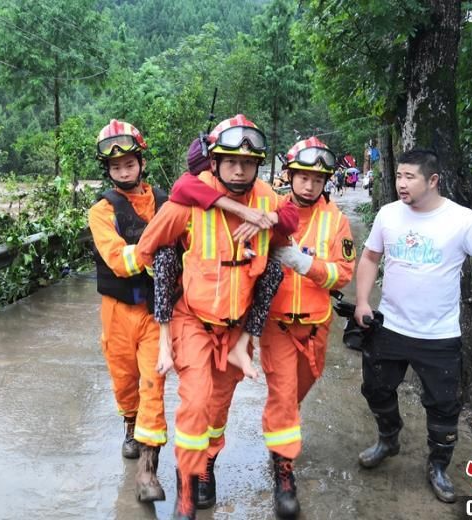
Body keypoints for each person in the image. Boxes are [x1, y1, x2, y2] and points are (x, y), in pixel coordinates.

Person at [353, 149, 472, 503]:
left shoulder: (462, 220)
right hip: (390, 326)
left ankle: (437, 465)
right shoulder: (389, 215)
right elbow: (371, 257)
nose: (401, 184)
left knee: (444, 406)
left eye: (410, 177)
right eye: (399, 176)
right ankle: (388, 438)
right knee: (376, 389)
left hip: (439, 335)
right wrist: (362, 302)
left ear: (433, 180)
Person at [136, 114, 293, 520]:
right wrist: (169, 283)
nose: (239, 170)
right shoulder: (190, 199)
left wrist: (271, 220)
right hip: (192, 320)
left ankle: (208, 465)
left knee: (219, 407)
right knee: (196, 402)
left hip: (237, 326)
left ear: (258, 164)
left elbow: (291, 220)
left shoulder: (265, 200)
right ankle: (186, 492)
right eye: (230, 161)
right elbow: (148, 248)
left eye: (248, 163)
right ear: (215, 161)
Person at [256, 137, 356, 518]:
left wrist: (304, 264)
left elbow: (341, 275)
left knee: (296, 393)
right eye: (303, 177)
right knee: (282, 394)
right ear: (291, 176)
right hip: (277, 325)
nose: (310, 185)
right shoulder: (272, 212)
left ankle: (281, 430)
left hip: (315, 327)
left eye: (317, 179)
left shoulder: (336, 221)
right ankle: (284, 474)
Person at [87, 119, 168, 503]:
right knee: (124, 378)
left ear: (140, 162)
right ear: (108, 170)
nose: (124, 171)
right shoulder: (101, 211)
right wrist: (155, 252)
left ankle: (148, 469)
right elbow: (118, 259)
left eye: (129, 164)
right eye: (116, 167)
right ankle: (130, 424)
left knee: (153, 382)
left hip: (155, 310)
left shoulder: (166, 202)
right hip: (117, 311)